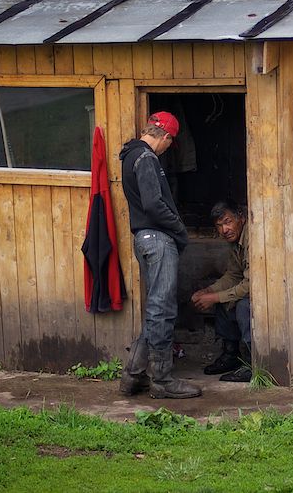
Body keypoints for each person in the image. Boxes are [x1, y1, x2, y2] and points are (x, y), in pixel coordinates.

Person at [118, 111, 201, 399]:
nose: (168, 149)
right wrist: (179, 229)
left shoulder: (131, 155)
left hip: (144, 238)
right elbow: (154, 205)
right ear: (164, 136)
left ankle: (133, 375)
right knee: (162, 310)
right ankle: (162, 380)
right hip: (157, 238)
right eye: (170, 143)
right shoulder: (147, 159)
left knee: (155, 309)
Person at [191, 199, 253, 383]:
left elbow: (251, 285)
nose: (224, 229)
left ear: (240, 218)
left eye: (228, 222)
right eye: (219, 225)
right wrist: (208, 291)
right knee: (222, 300)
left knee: (242, 306)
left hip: (270, 296)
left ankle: (253, 364)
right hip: (248, 289)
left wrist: (215, 297)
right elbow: (233, 275)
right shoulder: (235, 241)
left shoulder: (252, 236)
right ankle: (230, 356)